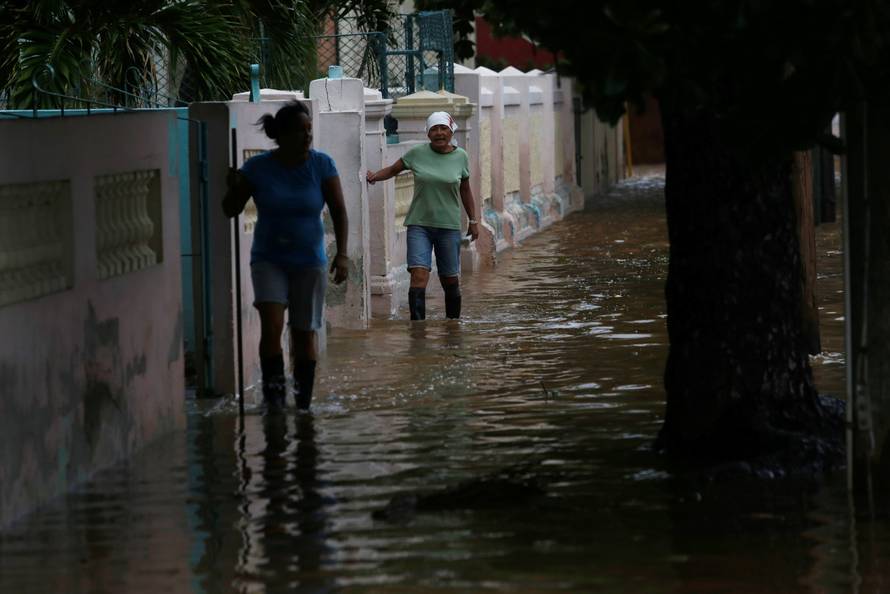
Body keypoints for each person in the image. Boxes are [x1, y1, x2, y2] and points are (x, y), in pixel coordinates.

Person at [223, 100, 349, 413]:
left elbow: (339, 211)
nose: (307, 136)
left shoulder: (322, 165)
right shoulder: (258, 168)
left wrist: (342, 254)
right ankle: (275, 401)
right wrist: (234, 188)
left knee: (304, 333)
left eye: (309, 130)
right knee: (272, 325)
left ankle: (303, 403)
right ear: (281, 134)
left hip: (309, 261)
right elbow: (230, 209)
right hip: (269, 259)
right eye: (299, 131)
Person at [366, 111, 478, 320]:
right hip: (419, 225)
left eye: (443, 128)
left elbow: (465, 190)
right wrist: (373, 177)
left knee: (450, 280)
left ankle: (453, 327)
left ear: (451, 130)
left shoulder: (461, 156)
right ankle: (418, 332)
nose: (439, 133)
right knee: (418, 276)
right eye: (434, 129)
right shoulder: (417, 154)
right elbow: (392, 170)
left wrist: (473, 221)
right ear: (428, 133)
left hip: (448, 227)